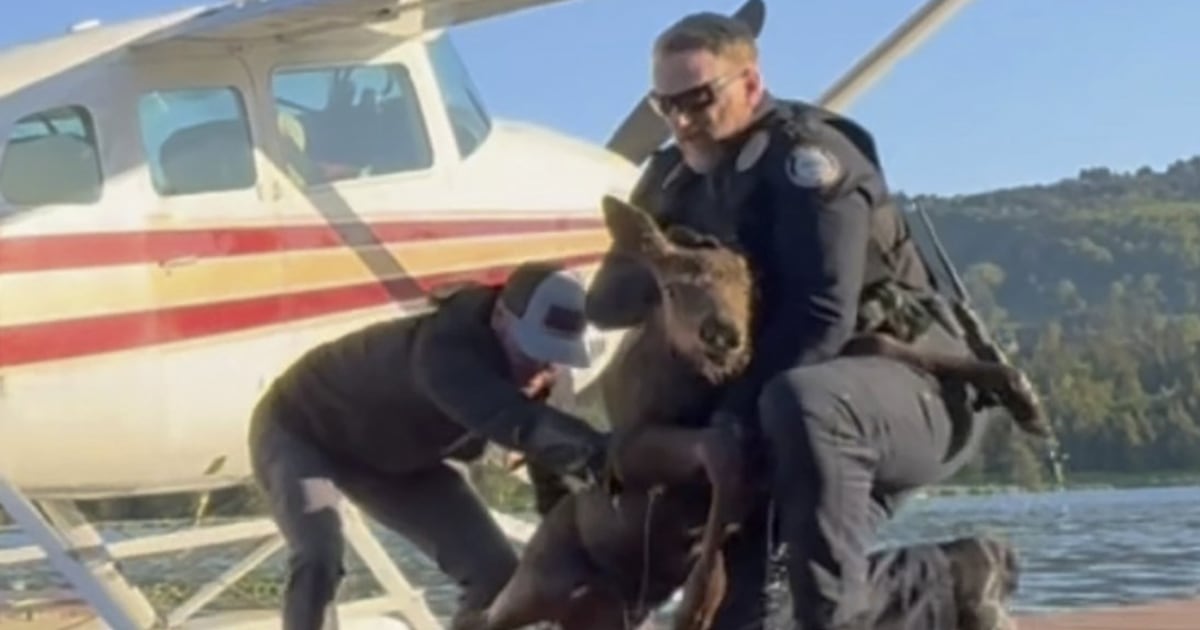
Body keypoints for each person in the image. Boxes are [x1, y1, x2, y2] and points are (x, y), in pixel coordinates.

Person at [586, 12, 1026, 630]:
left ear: (751, 84)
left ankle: (831, 620)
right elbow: (605, 305)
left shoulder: (807, 162)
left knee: (803, 398)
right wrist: (667, 257)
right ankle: (950, 578)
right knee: (746, 617)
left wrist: (729, 424)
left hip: (903, 390)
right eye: (666, 106)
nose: (682, 122)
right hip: (790, 421)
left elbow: (821, 318)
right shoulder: (673, 178)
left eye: (699, 100)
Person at [248, 260, 609, 630]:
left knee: (496, 575)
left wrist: (582, 545)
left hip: (397, 459)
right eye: (532, 349)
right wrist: (604, 455)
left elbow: (553, 473)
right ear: (500, 316)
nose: (541, 364)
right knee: (318, 553)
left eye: (555, 354)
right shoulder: (444, 350)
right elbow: (518, 423)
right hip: (302, 429)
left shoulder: (546, 374)